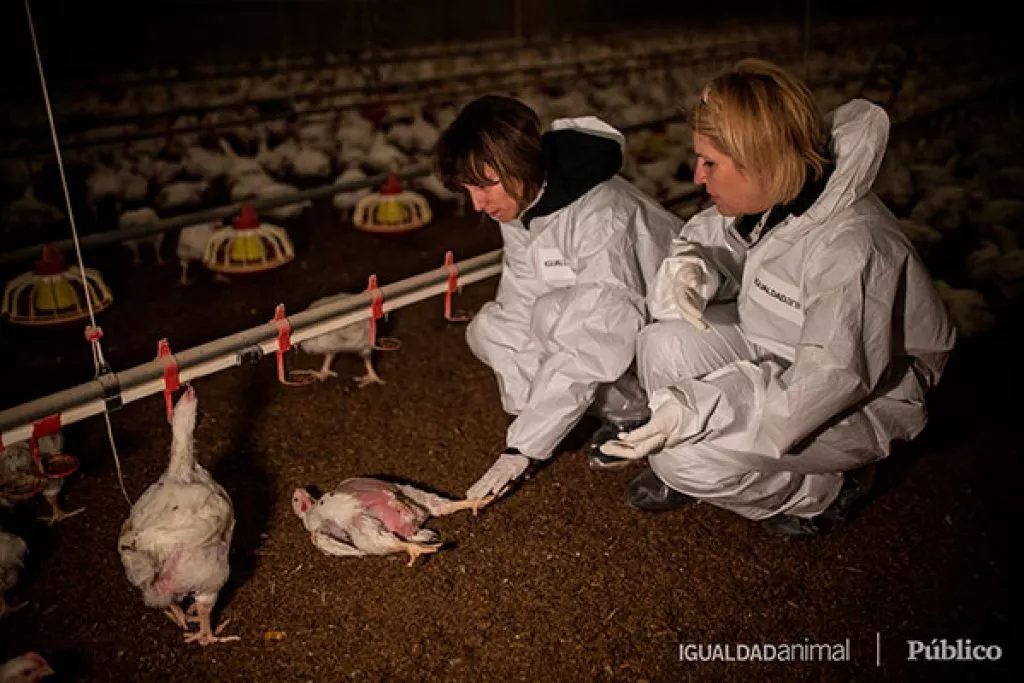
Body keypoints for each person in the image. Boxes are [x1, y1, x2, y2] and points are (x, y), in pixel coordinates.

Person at [599, 59, 957, 536]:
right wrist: (694, 267)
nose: (699, 178)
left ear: (761, 162)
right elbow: (710, 235)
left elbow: (829, 379)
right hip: (779, 350)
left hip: (856, 401)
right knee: (662, 342)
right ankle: (695, 457)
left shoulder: (853, 246)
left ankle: (821, 494)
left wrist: (699, 407)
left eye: (711, 163)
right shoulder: (779, 195)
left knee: (685, 459)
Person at [434, 94, 685, 500]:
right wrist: (529, 421)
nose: (478, 204)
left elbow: (595, 333)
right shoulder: (523, 207)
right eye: (468, 189)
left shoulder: (601, 213)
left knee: (560, 319)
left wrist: (523, 448)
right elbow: (520, 301)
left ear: (519, 163)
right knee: (491, 328)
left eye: (485, 185)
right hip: (619, 333)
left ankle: (669, 435)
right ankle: (614, 415)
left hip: (678, 337)